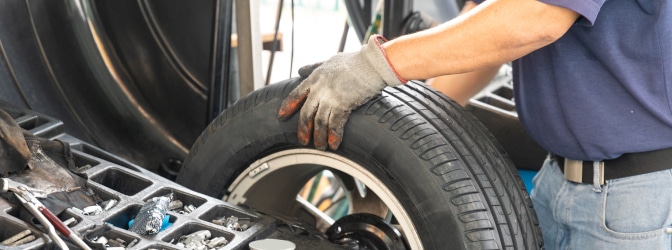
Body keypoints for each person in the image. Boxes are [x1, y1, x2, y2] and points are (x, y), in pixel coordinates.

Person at [277, 0, 672, 249]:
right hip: (560, 181)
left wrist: (375, 66)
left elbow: (534, 17)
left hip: (635, 200)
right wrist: (403, 140)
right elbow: (488, 29)